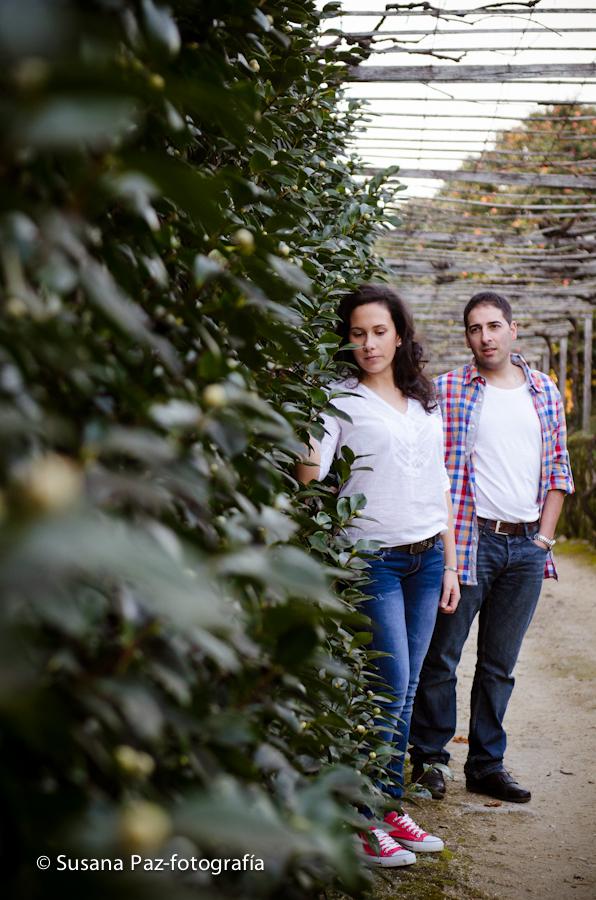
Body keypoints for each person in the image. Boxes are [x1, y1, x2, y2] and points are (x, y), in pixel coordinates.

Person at [296, 284, 460, 867]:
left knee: (408, 688)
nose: (369, 344)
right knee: (386, 690)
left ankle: (387, 805)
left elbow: (438, 481)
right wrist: (309, 432)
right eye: (358, 333)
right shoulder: (339, 399)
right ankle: (361, 820)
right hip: (373, 560)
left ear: (399, 334)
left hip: (426, 559)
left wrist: (450, 562)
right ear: (347, 338)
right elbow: (310, 475)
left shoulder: (425, 400)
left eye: (379, 332)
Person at [410, 291, 574, 804]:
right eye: (476, 328)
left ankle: (486, 764)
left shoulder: (545, 390)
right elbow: (431, 470)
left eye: (495, 326)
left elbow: (559, 470)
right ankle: (431, 761)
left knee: (500, 663)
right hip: (470, 540)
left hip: (527, 545)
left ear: (514, 329)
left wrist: (544, 539)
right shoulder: (449, 390)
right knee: (442, 656)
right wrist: (447, 550)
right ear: (467, 336)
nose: (486, 336)